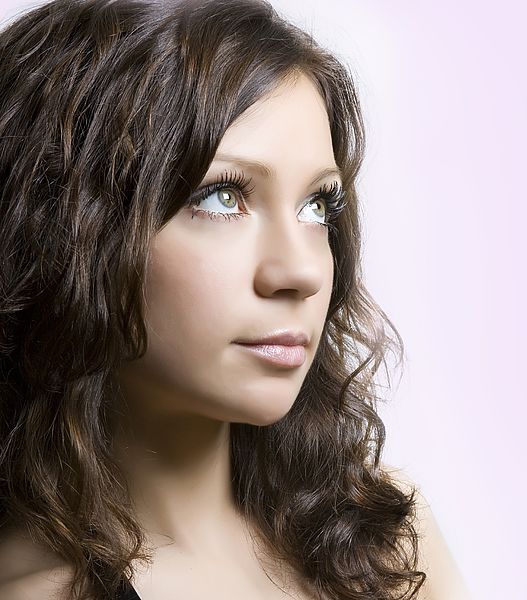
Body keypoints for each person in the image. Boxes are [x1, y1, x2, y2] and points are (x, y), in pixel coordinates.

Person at [0, 0, 471, 598]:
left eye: (317, 206)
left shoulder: (383, 536)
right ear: (68, 229)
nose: (299, 271)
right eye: (222, 197)